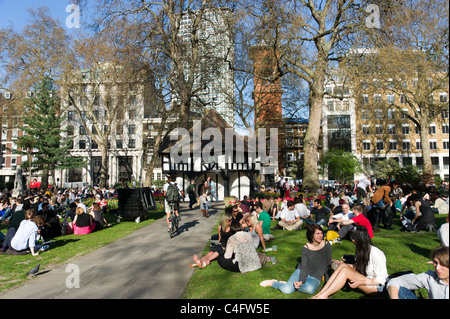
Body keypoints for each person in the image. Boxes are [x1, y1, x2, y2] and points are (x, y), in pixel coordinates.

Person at [311, 225, 388, 299]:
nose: (352, 240)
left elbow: (381, 280)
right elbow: (362, 266)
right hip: (365, 279)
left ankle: (323, 296)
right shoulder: (361, 250)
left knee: (345, 271)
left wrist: (359, 282)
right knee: (343, 266)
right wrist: (344, 265)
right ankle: (321, 293)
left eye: (354, 238)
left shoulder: (376, 253)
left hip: (377, 287)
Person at [260, 224, 332, 295]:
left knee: (309, 290)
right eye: (317, 234)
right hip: (302, 272)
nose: (320, 235)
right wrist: (301, 281)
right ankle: (273, 283)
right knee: (287, 290)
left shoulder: (327, 245)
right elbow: (304, 267)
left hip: (315, 276)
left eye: (321, 233)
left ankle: (289, 285)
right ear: (311, 235)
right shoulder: (306, 248)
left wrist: (328, 281)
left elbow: (328, 264)